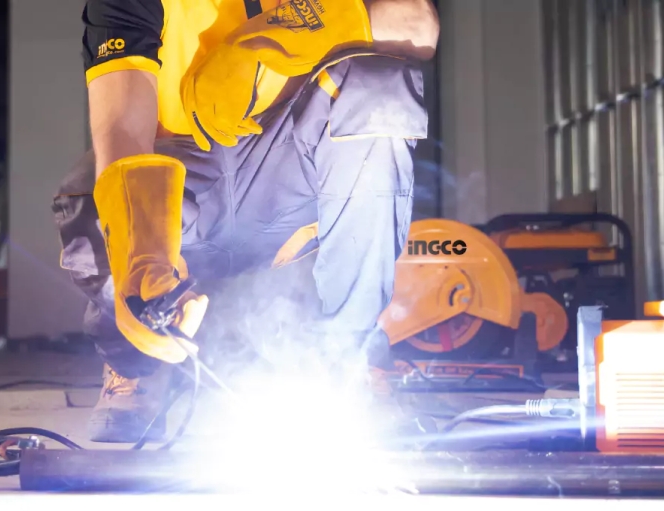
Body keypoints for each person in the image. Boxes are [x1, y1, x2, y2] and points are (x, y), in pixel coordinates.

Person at [55, 0, 439, 442]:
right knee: (98, 192)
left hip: (288, 178)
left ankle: (350, 358)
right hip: (186, 186)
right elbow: (123, 133)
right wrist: (144, 259)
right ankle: (134, 366)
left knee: (380, 90)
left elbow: (417, 23)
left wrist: (269, 38)